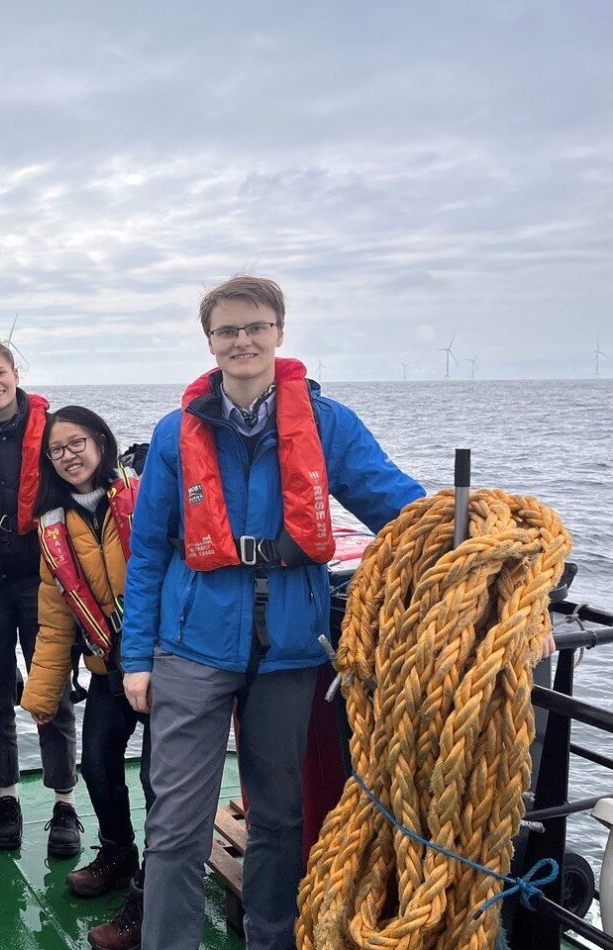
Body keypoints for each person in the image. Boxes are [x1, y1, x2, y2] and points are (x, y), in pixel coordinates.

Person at [120, 275, 425, 950]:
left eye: (255, 326)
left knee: (281, 816)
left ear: (280, 332)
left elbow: (397, 505)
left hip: (290, 647)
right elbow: (145, 553)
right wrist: (136, 658)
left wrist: (478, 540)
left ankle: (271, 938)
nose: (243, 341)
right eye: (227, 330)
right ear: (210, 342)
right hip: (191, 646)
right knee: (176, 823)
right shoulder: (177, 432)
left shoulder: (327, 424)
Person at [21, 405, 153, 950]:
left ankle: (152, 894)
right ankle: (119, 855)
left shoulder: (146, 496)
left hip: (167, 662)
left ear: (101, 441)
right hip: (108, 667)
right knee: (97, 761)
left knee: (159, 780)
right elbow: (54, 622)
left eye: (77, 442)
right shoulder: (53, 527)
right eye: (58, 449)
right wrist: (43, 694)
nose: (70, 455)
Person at [0, 330, 80, 855]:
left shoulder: (49, 429)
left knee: (50, 687)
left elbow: (85, 477)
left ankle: (64, 802)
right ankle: (6, 795)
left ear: (15, 374)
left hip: (39, 577)